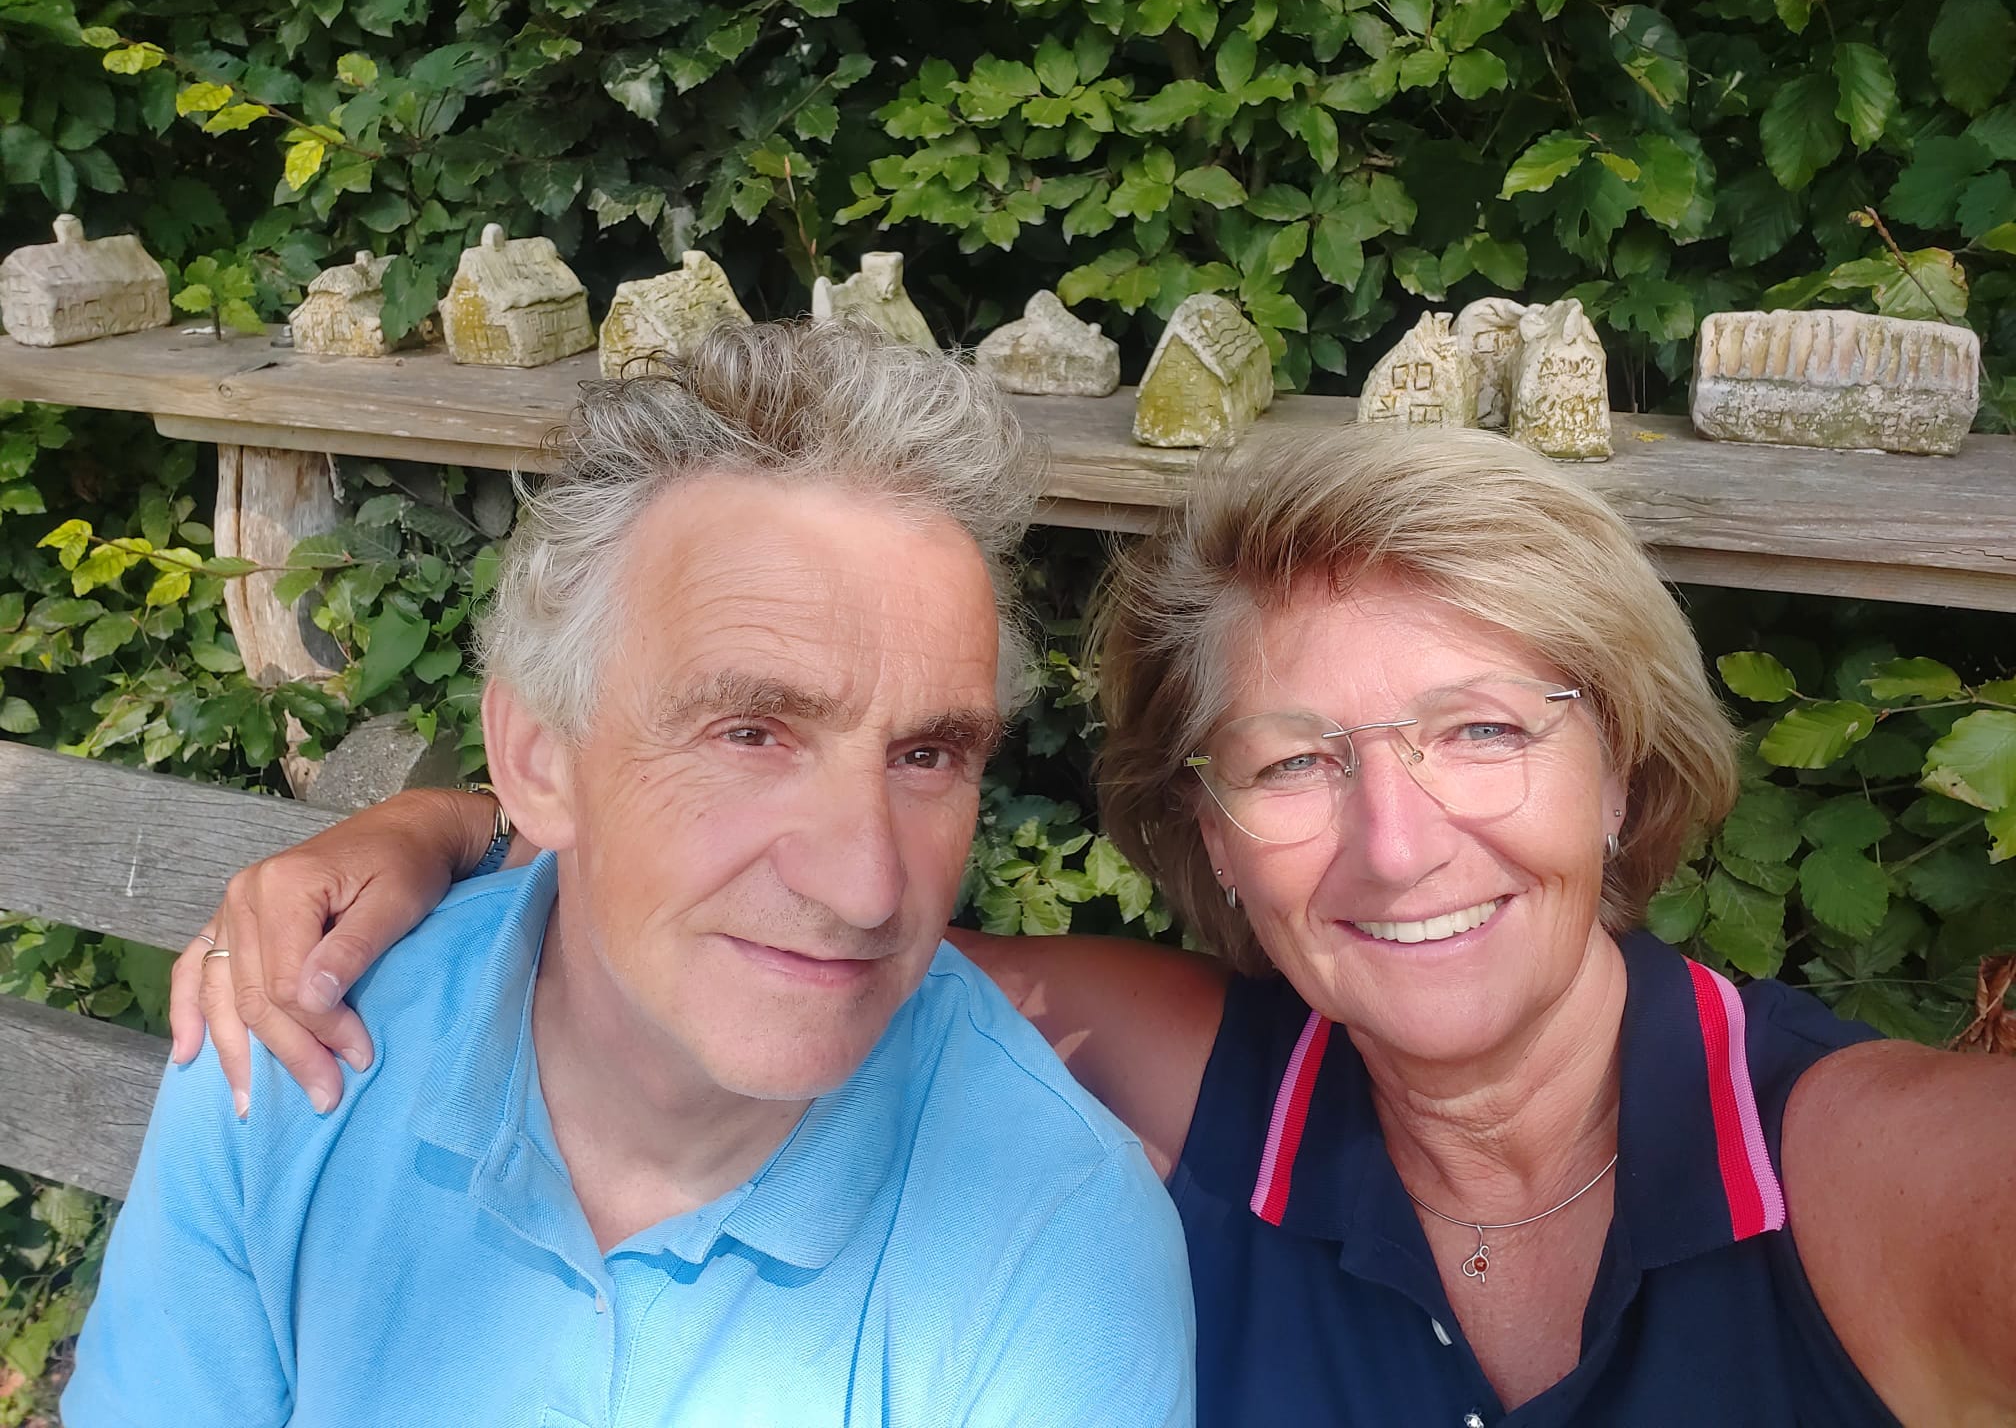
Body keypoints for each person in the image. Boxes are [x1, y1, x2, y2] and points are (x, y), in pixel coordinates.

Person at [178, 423, 2016, 1426]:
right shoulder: (1213, 1084)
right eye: (1295, 763)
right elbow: (750, 935)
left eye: (1482, 732)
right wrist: (452, 829)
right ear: (1212, 834)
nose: (1397, 845)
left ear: (1620, 769)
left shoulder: (1860, 1171)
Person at [65, 322, 1195, 1427]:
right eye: (750, 733)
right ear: (537, 759)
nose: (866, 887)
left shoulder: (1056, 1248)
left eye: (929, 755)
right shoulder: (285, 1044)